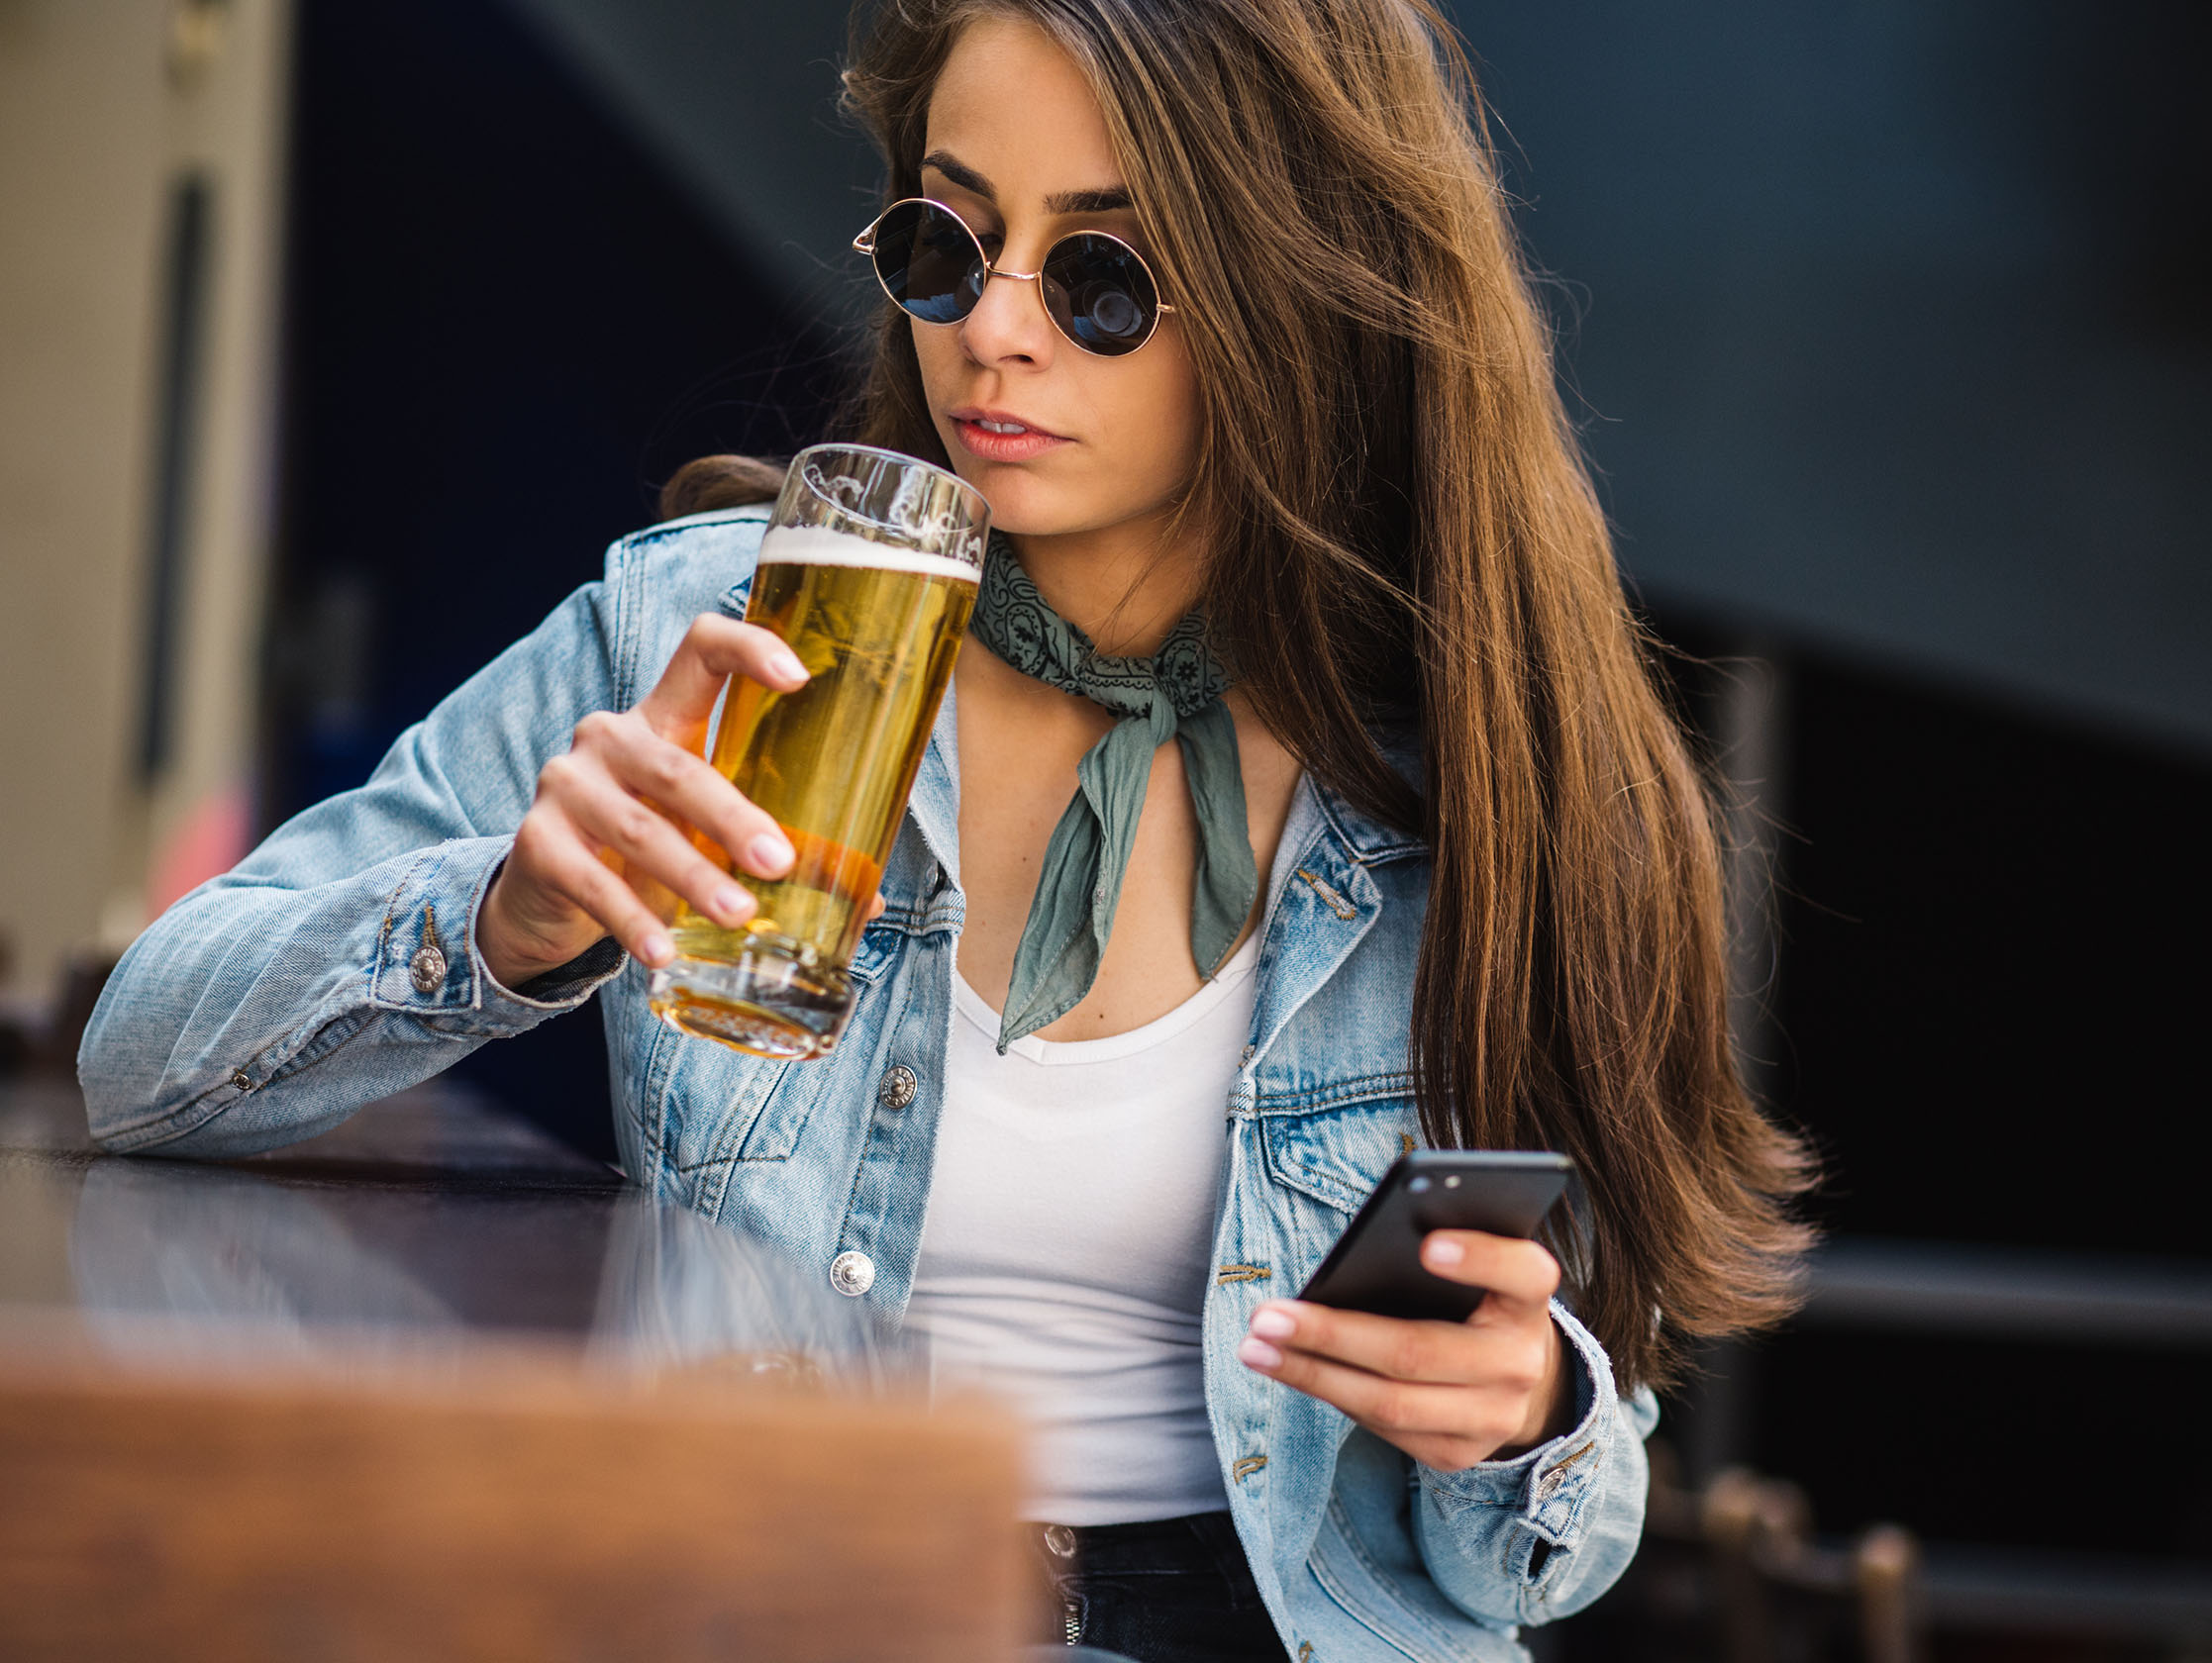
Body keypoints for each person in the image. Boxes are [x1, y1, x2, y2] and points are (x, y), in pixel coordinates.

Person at [81, 0, 1815, 1656]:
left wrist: (1529, 1418)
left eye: (1102, 278)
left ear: (1300, 296)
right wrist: (506, 913)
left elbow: (1545, 1565)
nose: (993, 327)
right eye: (944, 242)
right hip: (793, 1597)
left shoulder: (1476, 777)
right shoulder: (710, 643)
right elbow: (141, 1050)